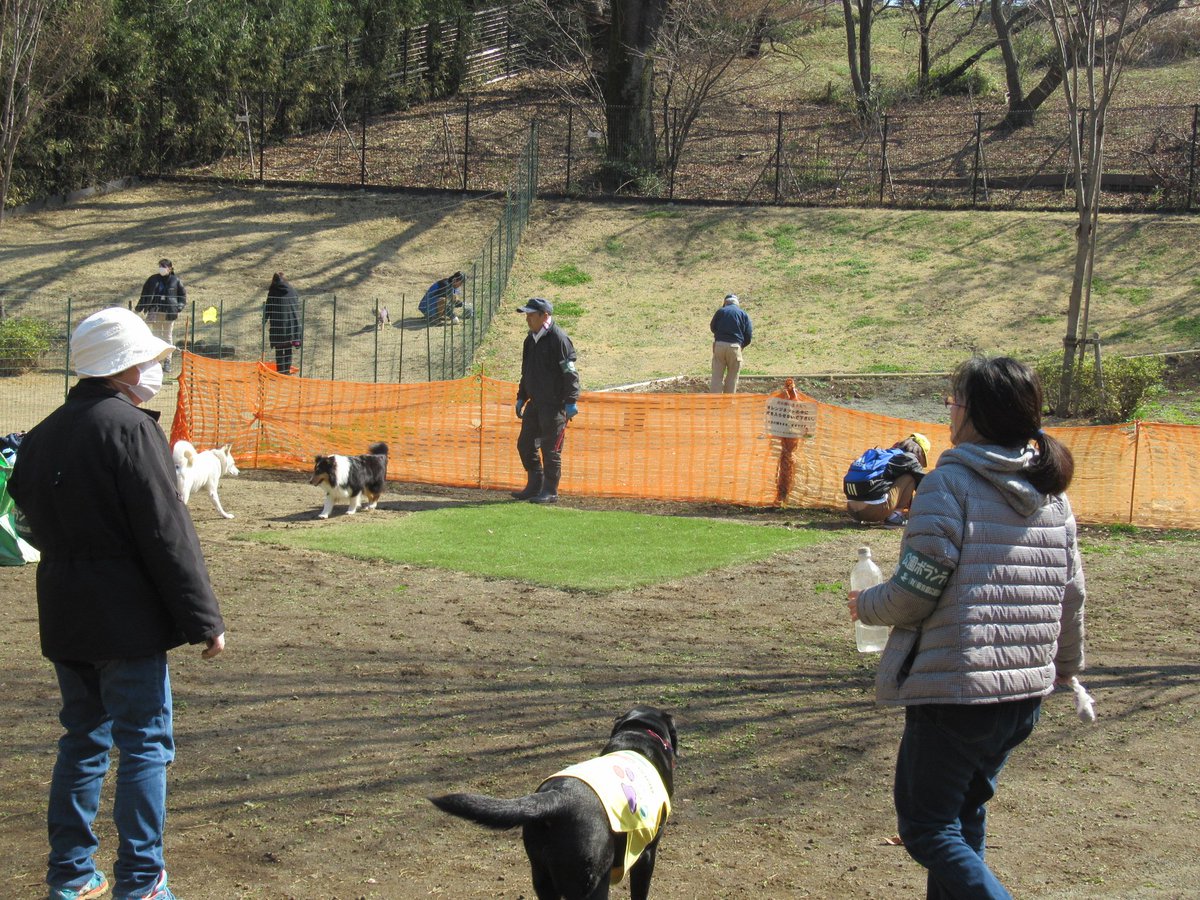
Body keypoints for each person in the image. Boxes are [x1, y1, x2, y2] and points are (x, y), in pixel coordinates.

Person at [8, 307, 227, 900]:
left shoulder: (44, 432)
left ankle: (72, 876)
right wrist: (204, 617)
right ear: (124, 366)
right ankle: (141, 880)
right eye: (150, 360)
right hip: (125, 621)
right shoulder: (130, 428)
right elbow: (166, 530)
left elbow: (24, 513)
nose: (155, 368)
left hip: (63, 611)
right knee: (145, 744)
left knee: (82, 740)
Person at [848, 356, 1086, 900]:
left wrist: (866, 605)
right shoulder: (1053, 492)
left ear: (976, 413)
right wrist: (1065, 671)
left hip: (958, 691)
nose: (948, 410)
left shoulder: (948, 484)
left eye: (954, 400)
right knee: (963, 817)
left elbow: (913, 594)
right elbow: (1072, 595)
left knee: (927, 826)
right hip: (1023, 694)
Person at [512, 297, 580, 504]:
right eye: (527, 315)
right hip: (535, 402)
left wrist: (571, 401)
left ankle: (550, 491)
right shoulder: (529, 340)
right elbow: (527, 372)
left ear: (545, 315)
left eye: (532, 315)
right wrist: (521, 397)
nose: (528, 319)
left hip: (554, 406)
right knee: (525, 444)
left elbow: (570, 373)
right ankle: (535, 484)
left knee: (551, 450)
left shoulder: (559, 339)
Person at [844, 432, 931, 527]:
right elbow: (924, 486)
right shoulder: (909, 458)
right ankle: (895, 517)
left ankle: (865, 513)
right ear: (921, 452)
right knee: (909, 477)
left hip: (852, 510)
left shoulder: (886, 455)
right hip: (874, 512)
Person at [136, 259, 186, 371]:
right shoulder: (152, 279)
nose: (161, 268)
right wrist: (140, 306)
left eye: (163, 266)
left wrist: (178, 307)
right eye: (160, 266)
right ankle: (157, 360)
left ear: (170, 268)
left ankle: (167, 361)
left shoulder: (175, 280)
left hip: (169, 313)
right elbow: (144, 293)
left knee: (167, 336)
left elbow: (182, 296)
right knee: (157, 336)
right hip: (156, 311)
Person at [709, 293, 752, 393]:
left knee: (716, 376)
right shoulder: (743, 314)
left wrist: (719, 337)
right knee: (732, 377)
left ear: (725, 302)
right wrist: (742, 345)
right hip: (735, 347)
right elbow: (748, 334)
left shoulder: (720, 311)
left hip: (719, 346)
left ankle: (714, 403)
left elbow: (713, 327)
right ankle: (728, 404)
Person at [263, 272, 303, 375]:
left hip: (278, 325)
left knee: (279, 350)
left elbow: (268, 307)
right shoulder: (292, 290)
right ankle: (286, 371)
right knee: (288, 348)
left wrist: (264, 319)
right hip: (292, 324)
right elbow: (296, 304)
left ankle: (281, 372)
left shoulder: (273, 291)